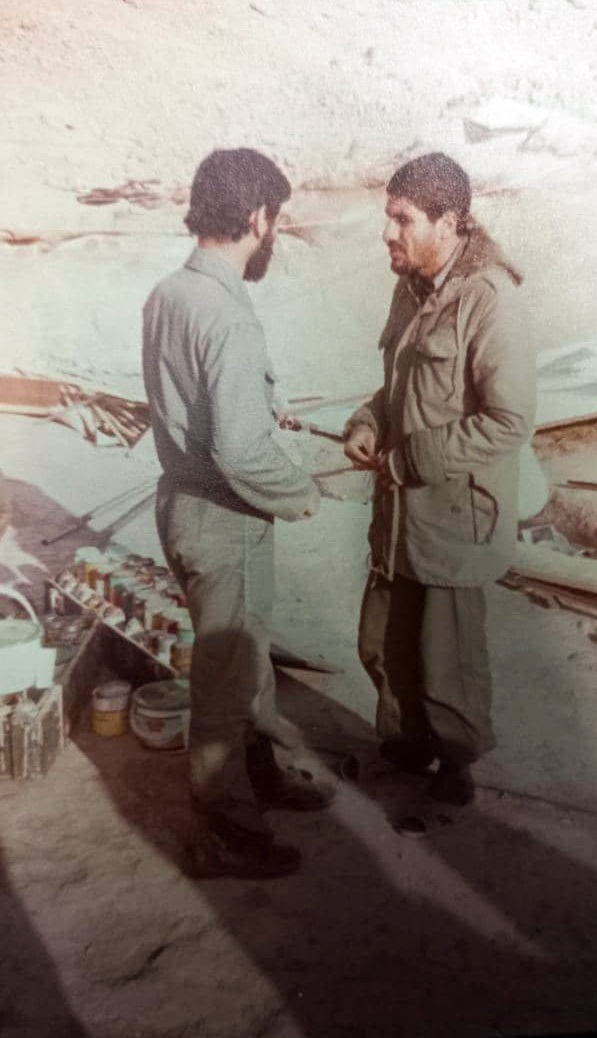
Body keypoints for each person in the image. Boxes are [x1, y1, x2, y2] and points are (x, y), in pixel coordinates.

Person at [143, 148, 332, 880]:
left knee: (245, 661)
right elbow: (239, 452)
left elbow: (193, 399)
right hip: (223, 518)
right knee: (224, 688)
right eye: (274, 219)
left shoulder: (170, 292)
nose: (273, 233)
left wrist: (258, 404)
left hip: (182, 506)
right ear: (257, 217)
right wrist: (302, 493)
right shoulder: (227, 315)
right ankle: (223, 834)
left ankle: (260, 781)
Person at [344, 152, 536, 805]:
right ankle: (407, 747)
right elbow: (396, 387)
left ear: (448, 222)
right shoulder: (410, 287)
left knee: (446, 663)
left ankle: (455, 776)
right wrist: (368, 422)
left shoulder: (489, 301)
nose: (387, 232)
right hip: (399, 513)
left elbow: (509, 421)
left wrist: (413, 459)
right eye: (388, 217)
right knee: (382, 642)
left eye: (402, 219)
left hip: (454, 515)